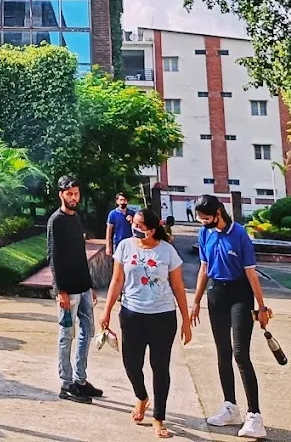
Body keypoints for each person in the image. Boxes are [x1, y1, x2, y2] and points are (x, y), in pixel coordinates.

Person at [101, 208, 192, 438]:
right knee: (131, 364)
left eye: (140, 226)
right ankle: (142, 397)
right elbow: (117, 280)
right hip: (132, 314)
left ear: (151, 230)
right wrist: (106, 311)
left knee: (160, 367)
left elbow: (178, 286)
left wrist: (186, 320)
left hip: (162, 316)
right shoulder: (125, 246)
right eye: (134, 224)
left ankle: (158, 418)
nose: (135, 228)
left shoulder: (167, 251)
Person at [190, 194, 272, 439]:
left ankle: (254, 416)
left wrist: (262, 307)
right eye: (200, 218)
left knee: (240, 354)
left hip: (240, 294)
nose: (203, 222)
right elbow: (204, 268)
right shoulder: (204, 233)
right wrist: (196, 301)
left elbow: (251, 273)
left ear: (218, 213)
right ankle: (230, 408)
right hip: (216, 293)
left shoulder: (239, 234)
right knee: (222, 353)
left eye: (206, 218)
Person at [47, 175, 102, 403]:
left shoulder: (76, 218)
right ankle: (67, 384)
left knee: (87, 331)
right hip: (67, 291)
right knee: (66, 335)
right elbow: (53, 257)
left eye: (76, 194)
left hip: (82, 287)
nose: (73, 198)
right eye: (69, 194)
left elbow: (80, 255)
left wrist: (89, 286)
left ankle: (80, 380)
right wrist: (60, 291)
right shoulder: (56, 221)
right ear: (61, 194)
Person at [105, 192, 133, 256]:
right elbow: (109, 230)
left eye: (124, 200)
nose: (122, 202)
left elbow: (137, 228)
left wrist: (132, 221)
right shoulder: (112, 214)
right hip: (118, 243)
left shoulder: (132, 213)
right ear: (117, 201)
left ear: (127, 201)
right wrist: (108, 246)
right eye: (121, 200)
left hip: (130, 243)